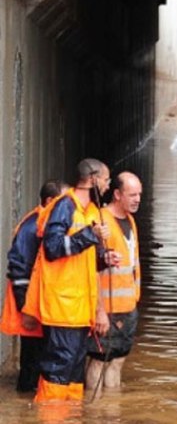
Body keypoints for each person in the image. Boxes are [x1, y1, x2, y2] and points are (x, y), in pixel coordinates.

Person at [23, 158, 112, 402]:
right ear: (93, 179)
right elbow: (53, 248)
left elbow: (84, 259)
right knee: (58, 369)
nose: (106, 186)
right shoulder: (65, 206)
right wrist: (89, 235)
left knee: (73, 373)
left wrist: (105, 258)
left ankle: (71, 415)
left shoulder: (92, 211)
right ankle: (49, 415)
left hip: (81, 309)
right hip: (63, 307)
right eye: (105, 180)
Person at [1, 179, 69, 392]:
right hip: (33, 308)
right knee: (32, 363)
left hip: (45, 306)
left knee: (43, 360)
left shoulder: (47, 223)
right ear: (50, 200)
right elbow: (19, 270)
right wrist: (26, 309)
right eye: (64, 201)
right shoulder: (33, 226)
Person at [85, 171, 143, 395]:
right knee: (99, 360)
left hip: (128, 307)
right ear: (117, 194)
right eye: (132, 194)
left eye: (139, 194)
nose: (137, 199)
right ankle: (95, 410)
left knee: (117, 361)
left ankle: (112, 408)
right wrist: (99, 311)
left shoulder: (130, 220)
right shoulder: (100, 222)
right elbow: (92, 269)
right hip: (106, 309)